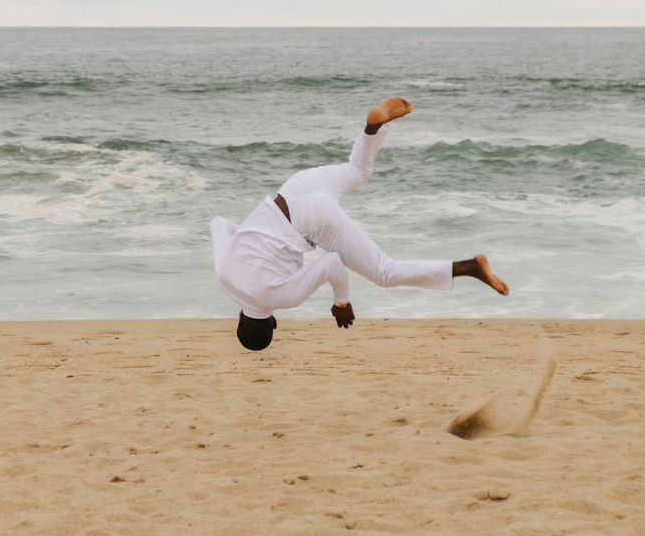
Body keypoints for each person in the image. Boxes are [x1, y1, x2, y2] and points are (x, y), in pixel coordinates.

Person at [211, 98, 509, 351]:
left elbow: (331, 264)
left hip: (312, 218)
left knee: (384, 272)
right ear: (240, 317)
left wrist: (342, 302)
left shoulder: (281, 298)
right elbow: (219, 224)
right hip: (292, 190)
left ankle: (469, 267)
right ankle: (373, 127)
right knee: (358, 169)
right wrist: (254, 241)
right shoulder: (224, 275)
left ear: (272, 322)